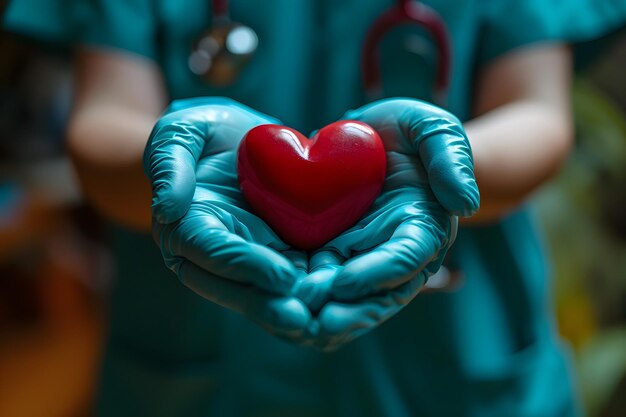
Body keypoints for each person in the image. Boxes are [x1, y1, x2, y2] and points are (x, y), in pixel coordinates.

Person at [4, 1, 626, 415]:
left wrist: (444, 161)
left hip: (456, 365)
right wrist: (177, 160)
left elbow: (538, 114)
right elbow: (102, 121)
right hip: (204, 375)